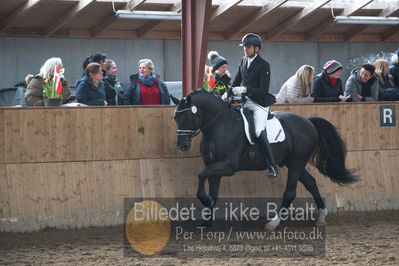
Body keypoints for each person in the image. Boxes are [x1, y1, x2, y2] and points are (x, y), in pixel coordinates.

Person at [229, 33, 278, 177]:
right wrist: (228, 94)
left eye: (248, 47)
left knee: (257, 131)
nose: (245, 49)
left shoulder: (264, 65)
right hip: (244, 102)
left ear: (257, 49)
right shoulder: (243, 61)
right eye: (244, 47)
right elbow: (236, 82)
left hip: (259, 104)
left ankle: (272, 165)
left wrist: (246, 89)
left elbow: (263, 91)